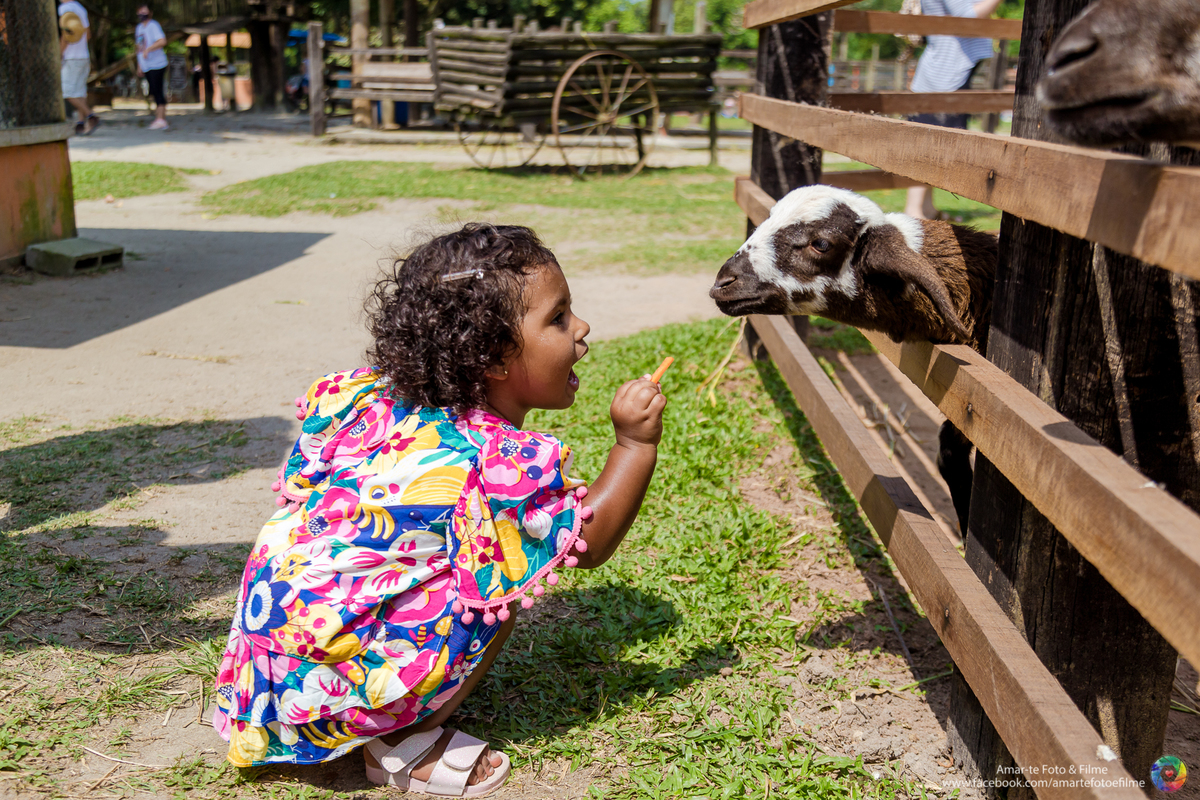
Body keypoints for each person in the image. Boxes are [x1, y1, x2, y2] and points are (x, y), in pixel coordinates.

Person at [212, 224, 667, 796]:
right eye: (558, 318)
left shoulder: (379, 404)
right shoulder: (488, 457)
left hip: (269, 669)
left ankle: (360, 706)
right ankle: (401, 742)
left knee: (479, 556)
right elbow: (589, 543)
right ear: (494, 358)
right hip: (326, 682)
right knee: (497, 578)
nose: (582, 328)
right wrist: (634, 445)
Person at [904, 0, 1004, 219]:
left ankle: (925, 208)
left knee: (932, 143)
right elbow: (967, 16)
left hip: (945, 70)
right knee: (929, 146)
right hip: (944, 74)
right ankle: (914, 211)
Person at [58, 0, 98, 135]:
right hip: (83, 56)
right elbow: (88, 35)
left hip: (71, 57)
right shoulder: (80, 8)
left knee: (66, 91)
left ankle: (91, 115)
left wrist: (60, 53)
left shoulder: (64, 8)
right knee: (79, 92)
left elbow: (66, 34)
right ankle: (81, 124)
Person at [134, 4, 170, 130]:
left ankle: (161, 119)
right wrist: (139, 65)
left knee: (158, 90)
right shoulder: (139, 28)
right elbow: (139, 48)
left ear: (150, 13)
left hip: (157, 64)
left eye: (145, 12)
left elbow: (162, 41)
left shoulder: (153, 25)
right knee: (153, 91)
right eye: (140, 12)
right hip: (146, 65)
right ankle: (159, 117)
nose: (142, 14)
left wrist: (149, 49)